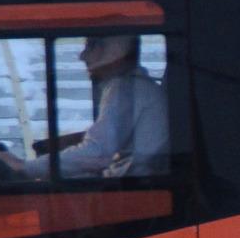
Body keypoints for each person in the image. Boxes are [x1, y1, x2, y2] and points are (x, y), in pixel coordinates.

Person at [54, 35, 169, 178]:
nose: (82, 56)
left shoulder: (125, 88)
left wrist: (27, 167)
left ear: (116, 50)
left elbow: (97, 151)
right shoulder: (135, 87)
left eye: (91, 46)